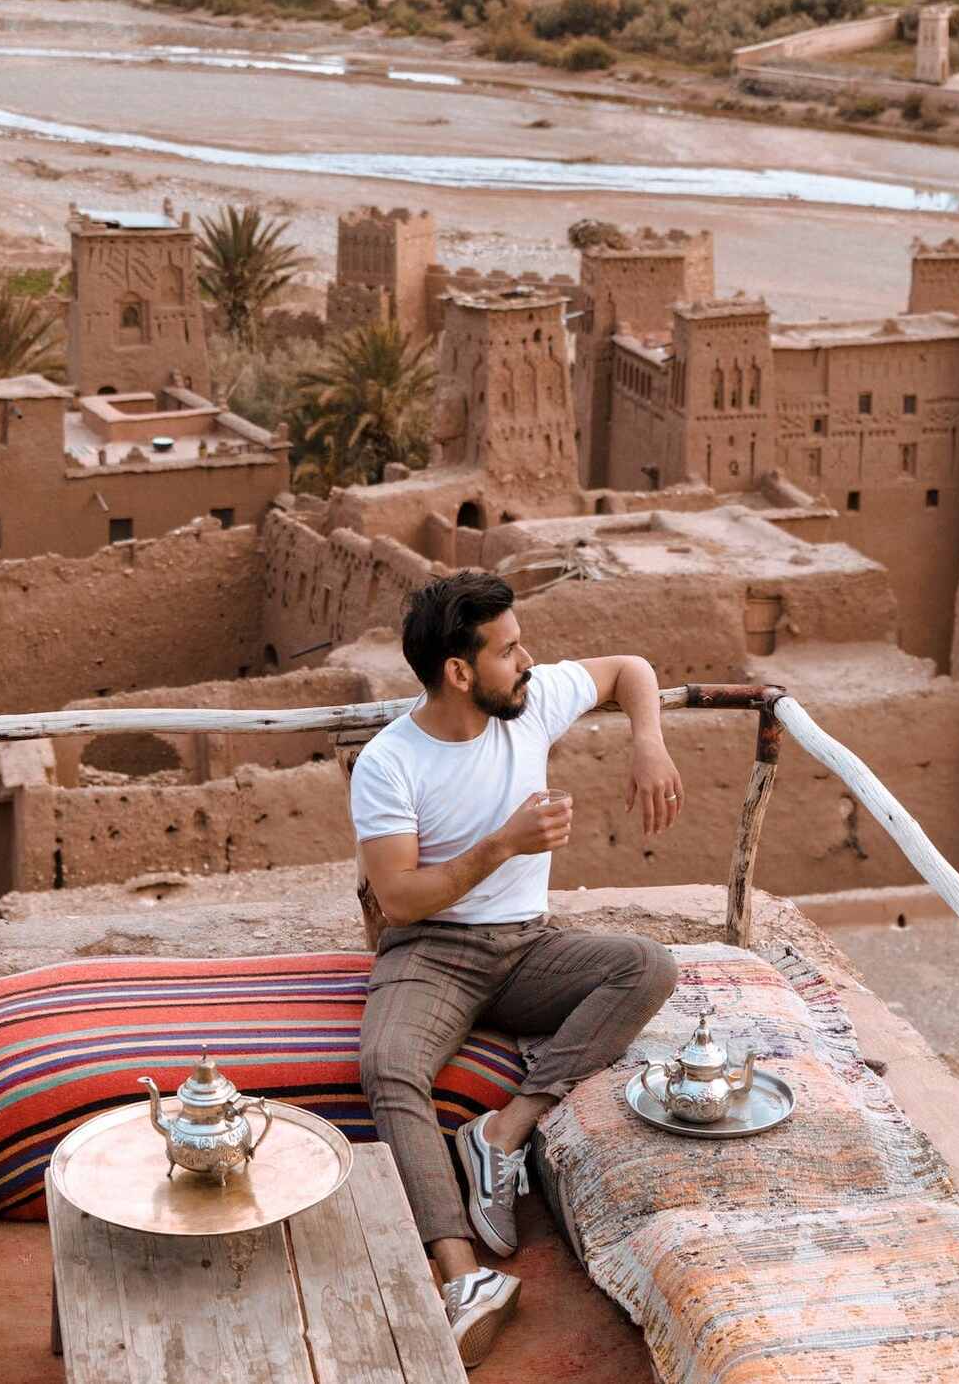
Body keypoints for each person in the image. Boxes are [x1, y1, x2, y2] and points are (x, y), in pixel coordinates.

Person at [349, 571, 683, 1367]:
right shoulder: (390, 763)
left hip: (527, 947)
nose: (527, 659)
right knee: (388, 1065)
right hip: (431, 952)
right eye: (507, 650)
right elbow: (398, 900)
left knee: (645, 967)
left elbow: (628, 668)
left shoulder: (528, 701)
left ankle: (501, 1134)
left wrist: (647, 741)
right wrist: (503, 845)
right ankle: (463, 1279)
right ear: (459, 672)